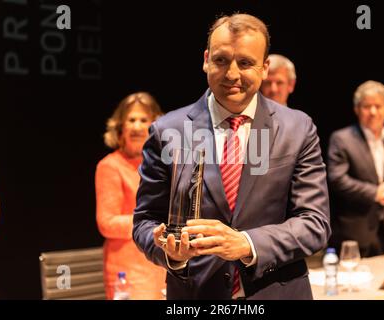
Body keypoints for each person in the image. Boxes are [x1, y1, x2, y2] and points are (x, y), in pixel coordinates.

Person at [133, 14, 330, 300]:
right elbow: (145, 221)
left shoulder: (298, 128)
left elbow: (315, 222)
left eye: (246, 63)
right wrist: (172, 254)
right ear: (205, 60)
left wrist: (247, 243)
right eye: (221, 60)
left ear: (264, 68)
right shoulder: (167, 131)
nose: (232, 74)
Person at [327, 80, 384, 257]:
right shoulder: (342, 138)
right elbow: (337, 179)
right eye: (367, 106)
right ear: (357, 109)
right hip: (353, 233)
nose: (373, 112)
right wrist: (376, 192)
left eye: (378, 106)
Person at [95, 92, 166, 299]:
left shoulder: (160, 166)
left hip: (160, 266)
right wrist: (151, 223)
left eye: (144, 120)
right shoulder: (110, 166)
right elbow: (107, 223)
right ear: (120, 127)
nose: (136, 126)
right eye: (131, 120)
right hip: (128, 273)